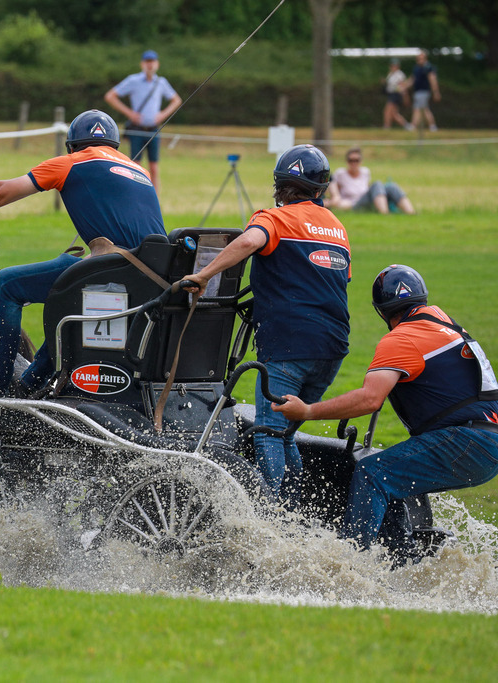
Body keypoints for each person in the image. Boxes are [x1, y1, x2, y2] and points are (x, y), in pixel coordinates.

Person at [0, 109, 166, 397]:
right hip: (153, 276)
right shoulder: (138, 169)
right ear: (114, 145)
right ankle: (30, 384)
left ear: (72, 146)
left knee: (8, 283)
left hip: (117, 272)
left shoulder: (71, 162)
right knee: (67, 279)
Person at [274, 265, 498, 553]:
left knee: (372, 473)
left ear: (381, 310)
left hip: (467, 441)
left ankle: (346, 563)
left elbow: (370, 399)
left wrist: (307, 411)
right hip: (484, 440)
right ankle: (401, 559)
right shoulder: (446, 326)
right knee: (391, 477)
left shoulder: (403, 338)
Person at [181, 144, 350, 507]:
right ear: (320, 188)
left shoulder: (274, 218)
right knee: (286, 433)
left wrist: (203, 275)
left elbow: (249, 241)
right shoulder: (337, 227)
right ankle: (293, 512)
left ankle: (268, 515)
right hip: (333, 348)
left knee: (268, 434)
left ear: (279, 186)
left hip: (290, 345)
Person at [103, 49, 182, 195]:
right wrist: (129, 113)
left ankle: (154, 199)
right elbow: (110, 96)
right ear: (142, 64)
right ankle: (135, 195)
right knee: (135, 166)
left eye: (152, 62)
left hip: (153, 129)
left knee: (154, 167)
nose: (150, 65)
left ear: (157, 64)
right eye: (147, 62)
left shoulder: (161, 82)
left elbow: (176, 100)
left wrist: (162, 115)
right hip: (137, 129)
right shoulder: (133, 80)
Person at [325, 147, 415, 215]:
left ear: (361, 161)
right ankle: (385, 214)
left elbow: (367, 187)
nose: (354, 163)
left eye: (356, 160)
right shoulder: (340, 174)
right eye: (351, 160)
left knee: (391, 186)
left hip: (368, 199)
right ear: (347, 161)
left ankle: (411, 213)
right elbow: (335, 194)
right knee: (377, 184)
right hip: (353, 204)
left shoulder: (365, 172)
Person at [405, 49, 441, 132]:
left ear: (425, 58)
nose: (419, 60)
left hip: (424, 91)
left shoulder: (428, 67)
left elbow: (433, 80)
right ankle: (430, 126)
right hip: (417, 92)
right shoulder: (417, 68)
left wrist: (436, 92)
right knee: (422, 109)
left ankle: (415, 125)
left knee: (420, 109)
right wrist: (404, 86)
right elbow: (412, 80)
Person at [382, 59, 413, 131]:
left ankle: (386, 127)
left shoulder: (399, 75)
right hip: (391, 94)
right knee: (394, 114)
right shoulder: (390, 74)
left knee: (387, 111)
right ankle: (407, 126)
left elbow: (402, 86)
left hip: (396, 95)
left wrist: (405, 96)